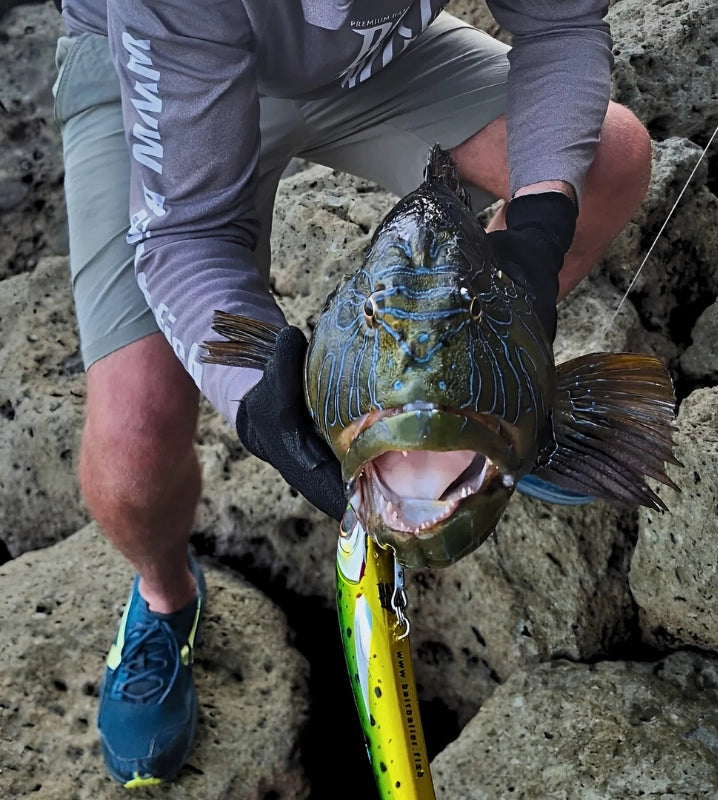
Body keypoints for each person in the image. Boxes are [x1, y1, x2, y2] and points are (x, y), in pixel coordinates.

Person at [51, 0, 651, 786]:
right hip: (157, 63)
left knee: (613, 156)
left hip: (369, 58)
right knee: (132, 449)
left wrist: (534, 241)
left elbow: (562, 24)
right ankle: (166, 601)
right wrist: (259, 396)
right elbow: (184, 235)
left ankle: (484, 399)